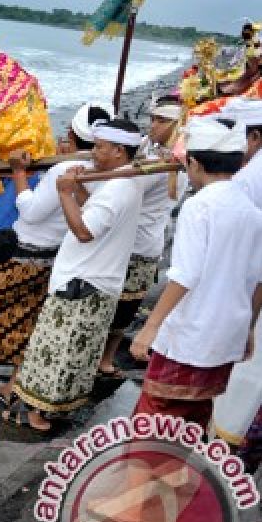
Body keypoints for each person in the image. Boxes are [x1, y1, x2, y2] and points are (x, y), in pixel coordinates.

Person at [0, 104, 110, 403]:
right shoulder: (102, 170)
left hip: (25, 253)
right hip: (51, 256)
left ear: (72, 136)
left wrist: (20, 174)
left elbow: (32, 212)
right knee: (26, 317)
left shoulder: (65, 168)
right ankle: (13, 382)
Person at [9, 120, 144, 432]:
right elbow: (91, 211)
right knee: (70, 351)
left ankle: (40, 413)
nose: (93, 153)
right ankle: (43, 410)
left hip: (85, 280)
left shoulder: (118, 188)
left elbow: (84, 230)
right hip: (95, 278)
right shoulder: (123, 181)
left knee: (59, 352)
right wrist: (79, 189)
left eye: (99, 147)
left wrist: (65, 192)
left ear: (119, 151)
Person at [129, 118, 262, 425]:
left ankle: (146, 474)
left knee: (154, 423)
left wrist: (150, 327)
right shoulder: (255, 214)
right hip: (228, 334)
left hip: (192, 335)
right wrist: (249, 330)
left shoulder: (200, 207)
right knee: (193, 420)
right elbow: (260, 282)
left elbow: (185, 275)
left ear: (194, 163)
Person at [97, 99, 182, 377]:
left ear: (174, 126)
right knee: (121, 305)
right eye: (152, 118)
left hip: (137, 242)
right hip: (143, 240)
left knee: (119, 307)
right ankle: (104, 358)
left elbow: (118, 180)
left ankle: (105, 358)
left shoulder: (161, 165)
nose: (152, 125)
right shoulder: (163, 156)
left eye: (160, 121)